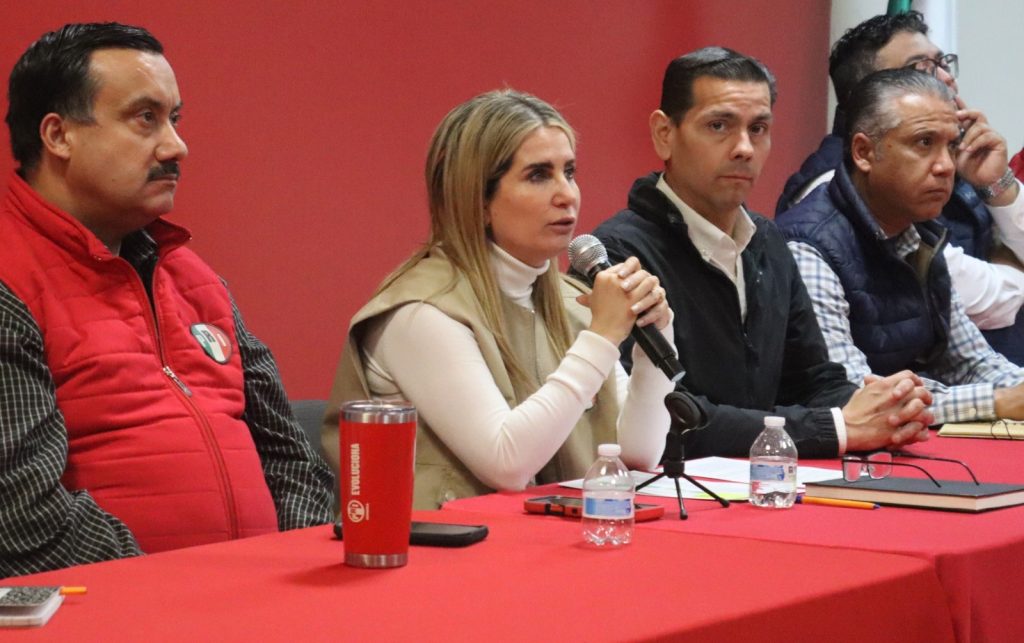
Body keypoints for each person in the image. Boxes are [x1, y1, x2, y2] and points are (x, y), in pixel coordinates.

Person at [0, 23, 333, 578]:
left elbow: (291, 458)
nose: (176, 146)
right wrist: (167, 591)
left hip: (258, 599)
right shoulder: (9, 283)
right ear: (58, 136)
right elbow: (20, 513)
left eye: (174, 118)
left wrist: (293, 571)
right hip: (111, 607)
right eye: (145, 118)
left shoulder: (194, 279)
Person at [321, 89, 674, 509]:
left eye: (569, 172)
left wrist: (654, 346)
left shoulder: (572, 301)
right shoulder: (421, 312)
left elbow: (637, 455)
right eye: (538, 175)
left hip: (545, 539)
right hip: (441, 545)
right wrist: (602, 338)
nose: (567, 194)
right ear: (478, 199)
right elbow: (506, 463)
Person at [592, 47, 933, 460]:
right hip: (673, 486)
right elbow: (668, 416)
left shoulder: (767, 240)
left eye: (758, 128)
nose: (744, 148)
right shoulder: (618, 253)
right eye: (719, 126)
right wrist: (838, 428)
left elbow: (811, 380)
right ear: (665, 133)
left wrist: (884, 407)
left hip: (768, 477)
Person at [777, 68, 1024, 426]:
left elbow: (971, 362)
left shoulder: (919, 234)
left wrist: (1016, 392)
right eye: (924, 143)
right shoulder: (808, 246)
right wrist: (998, 402)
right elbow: (857, 398)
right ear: (864, 152)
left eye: (951, 146)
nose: (946, 166)